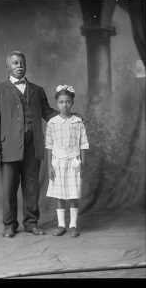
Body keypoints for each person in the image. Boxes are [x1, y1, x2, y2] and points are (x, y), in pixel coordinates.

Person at [0, 51, 58, 238]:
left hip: (33, 146)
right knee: (9, 187)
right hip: (8, 147)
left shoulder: (37, 90)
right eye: (15, 63)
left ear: (26, 65)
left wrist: (67, 117)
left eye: (22, 63)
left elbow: (47, 112)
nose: (19, 66)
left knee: (32, 186)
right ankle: (9, 225)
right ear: (8, 66)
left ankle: (31, 223)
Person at [45, 85, 89, 237]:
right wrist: (49, 165)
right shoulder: (52, 122)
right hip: (58, 162)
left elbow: (83, 144)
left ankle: (73, 225)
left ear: (72, 103)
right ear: (57, 103)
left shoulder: (78, 121)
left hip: (74, 162)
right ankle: (61, 225)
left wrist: (82, 163)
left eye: (68, 102)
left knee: (73, 194)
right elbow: (49, 145)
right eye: (61, 102)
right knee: (60, 195)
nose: (65, 105)